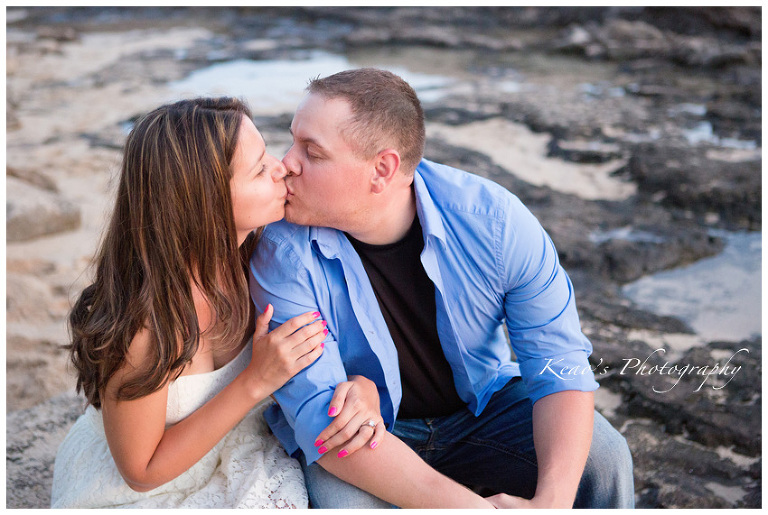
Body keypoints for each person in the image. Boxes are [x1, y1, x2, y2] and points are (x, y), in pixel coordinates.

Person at [249, 68, 635, 508]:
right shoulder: (281, 252)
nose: (286, 163)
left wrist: (551, 503)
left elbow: (559, 365)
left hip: (481, 411)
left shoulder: (495, 224)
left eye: (312, 153)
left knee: (603, 457)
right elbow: (323, 422)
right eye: (292, 140)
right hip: (370, 433)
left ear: (382, 170)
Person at [50, 97, 384, 508]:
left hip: (240, 454)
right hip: (148, 489)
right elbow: (140, 472)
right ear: (204, 201)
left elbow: (339, 351)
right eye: (260, 169)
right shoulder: (146, 325)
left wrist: (364, 388)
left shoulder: (261, 265)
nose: (282, 167)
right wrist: (254, 382)